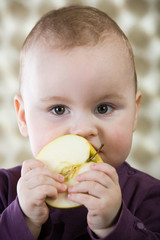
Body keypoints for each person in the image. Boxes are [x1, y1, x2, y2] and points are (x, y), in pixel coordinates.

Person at [0, 5, 160, 240]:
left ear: (134, 114)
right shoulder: (5, 190)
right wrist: (22, 219)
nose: (83, 130)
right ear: (24, 118)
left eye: (103, 108)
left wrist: (115, 224)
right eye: (59, 109)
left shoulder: (149, 197)